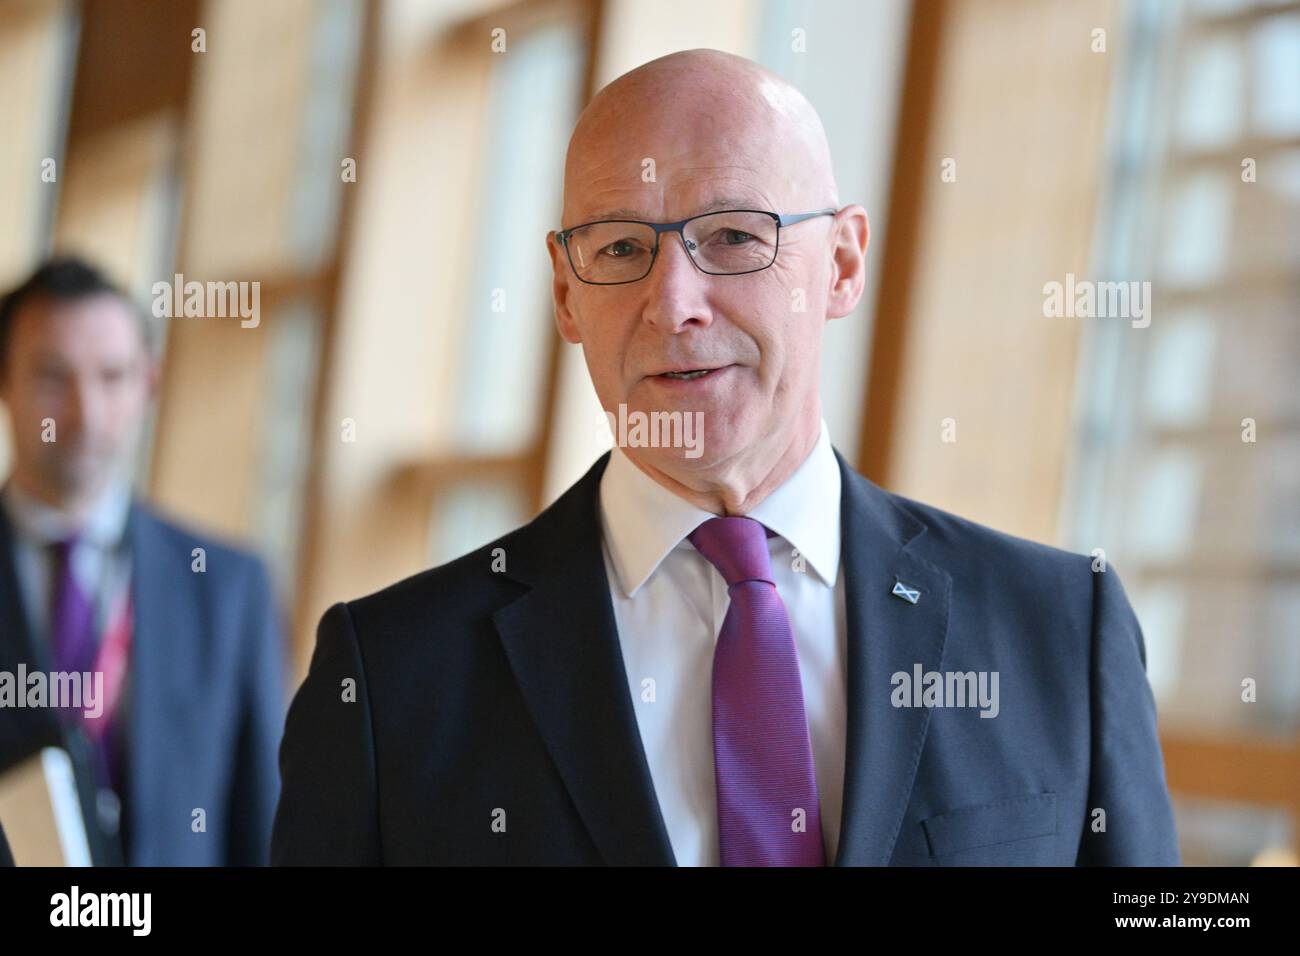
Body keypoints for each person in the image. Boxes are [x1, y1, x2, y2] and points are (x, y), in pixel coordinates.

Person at [272, 49, 1179, 866]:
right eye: (621, 247)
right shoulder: (392, 677)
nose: (673, 305)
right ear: (563, 294)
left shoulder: (1060, 628)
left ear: (844, 265)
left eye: (736, 236)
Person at [0, 256, 286, 865]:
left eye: (112, 376)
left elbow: (260, 827)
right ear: (5, 380)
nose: (86, 414)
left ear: (149, 384)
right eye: (53, 377)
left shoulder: (227, 589)